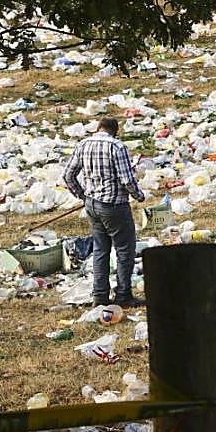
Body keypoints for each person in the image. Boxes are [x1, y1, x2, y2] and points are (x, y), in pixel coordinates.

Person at [63, 116, 146, 307]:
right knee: (125, 250)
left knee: (101, 249)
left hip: (92, 205)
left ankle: (100, 296)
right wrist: (139, 196)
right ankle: (123, 295)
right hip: (114, 206)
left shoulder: (83, 144)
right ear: (115, 131)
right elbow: (126, 180)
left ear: (99, 128)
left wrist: (82, 195)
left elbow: (68, 174)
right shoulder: (117, 147)